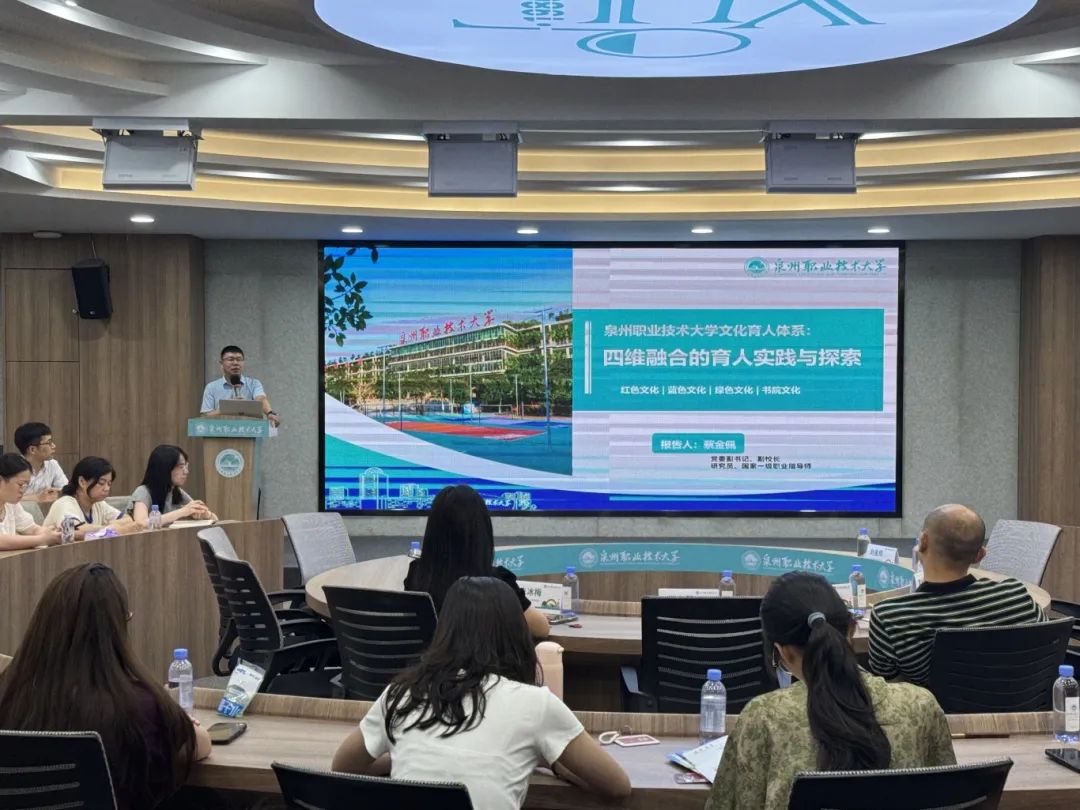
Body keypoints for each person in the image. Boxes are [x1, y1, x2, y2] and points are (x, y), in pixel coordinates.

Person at [332, 576, 630, 809]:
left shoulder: (402, 693)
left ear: (444, 630)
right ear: (516, 636)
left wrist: (399, 751)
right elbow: (618, 786)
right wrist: (552, 762)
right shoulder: (536, 704)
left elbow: (342, 767)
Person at [707, 572, 954, 810]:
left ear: (782, 652)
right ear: (851, 630)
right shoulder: (920, 706)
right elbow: (952, 798)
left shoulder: (763, 717)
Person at [0, 563, 210, 809]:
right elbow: (200, 745)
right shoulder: (139, 705)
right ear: (115, 631)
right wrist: (177, 716)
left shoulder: (9, 691)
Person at [869, 503, 1046, 686]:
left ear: (923, 542)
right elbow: (1046, 650)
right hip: (1018, 703)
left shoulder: (890, 618)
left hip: (936, 705)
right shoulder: (1017, 597)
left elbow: (888, 691)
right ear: (980, 555)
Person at [405, 484, 550, 638]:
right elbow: (541, 629)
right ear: (482, 531)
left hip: (429, 654)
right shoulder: (497, 581)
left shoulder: (417, 574)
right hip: (483, 655)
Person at [42, 456, 138, 540]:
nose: (107, 489)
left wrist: (108, 528)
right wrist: (110, 528)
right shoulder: (64, 504)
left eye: (109, 484)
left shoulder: (99, 504)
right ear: (82, 482)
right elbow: (75, 531)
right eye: (101, 483)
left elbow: (128, 520)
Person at [129, 445, 217, 528]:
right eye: (181, 467)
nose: (186, 472)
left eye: (186, 466)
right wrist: (182, 512)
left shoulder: (176, 491)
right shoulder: (143, 491)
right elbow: (141, 524)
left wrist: (206, 514)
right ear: (164, 468)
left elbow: (215, 519)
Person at [200, 345, 281, 427]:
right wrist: (228, 408)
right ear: (221, 363)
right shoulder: (211, 387)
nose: (235, 363)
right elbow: (205, 415)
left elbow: (261, 399)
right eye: (230, 359)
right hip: (222, 431)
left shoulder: (254, 383)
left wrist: (269, 413)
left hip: (248, 430)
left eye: (239, 359)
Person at [0, 453, 62, 551]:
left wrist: (53, 533)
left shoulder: (11, 505)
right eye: (20, 484)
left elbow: (32, 529)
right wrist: (41, 539)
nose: (23, 490)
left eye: (26, 486)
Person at [13, 422, 67, 504]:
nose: (53, 446)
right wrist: (37, 498)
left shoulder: (52, 464)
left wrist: (59, 492)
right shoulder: (13, 468)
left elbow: (66, 489)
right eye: (49, 443)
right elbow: (6, 497)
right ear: (32, 449)